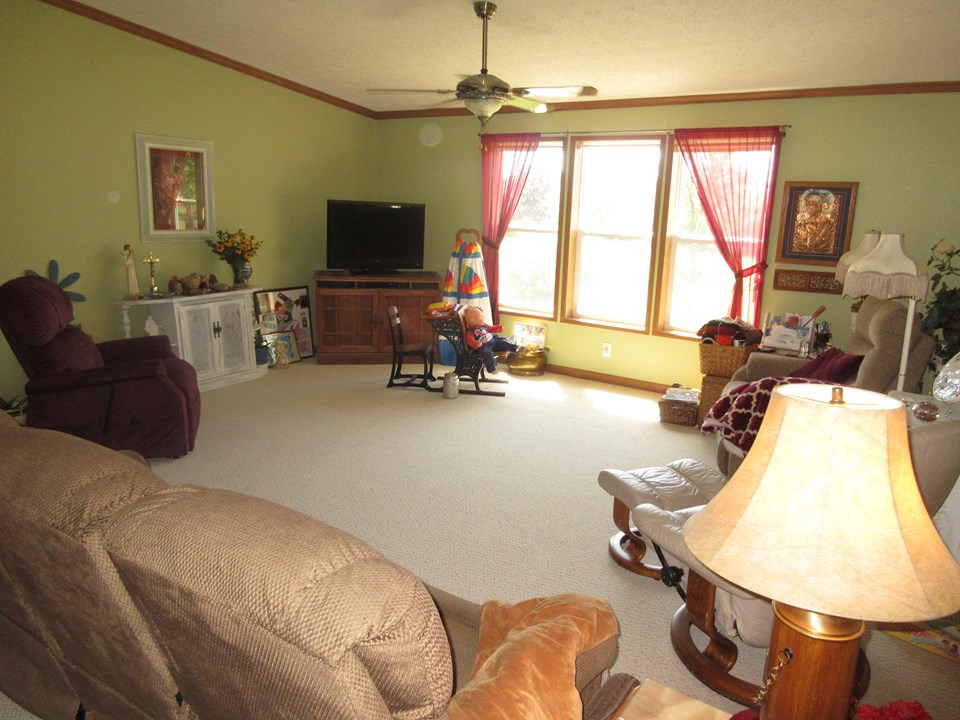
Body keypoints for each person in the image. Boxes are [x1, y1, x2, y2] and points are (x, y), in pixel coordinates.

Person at [463, 306, 520, 374]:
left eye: (482, 316)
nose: (483, 318)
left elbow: (491, 328)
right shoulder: (471, 331)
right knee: (487, 353)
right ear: (473, 320)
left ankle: (514, 348)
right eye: (481, 317)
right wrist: (476, 343)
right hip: (484, 346)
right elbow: (470, 340)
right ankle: (491, 369)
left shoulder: (484, 325)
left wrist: (499, 328)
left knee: (502, 342)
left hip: (493, 340)